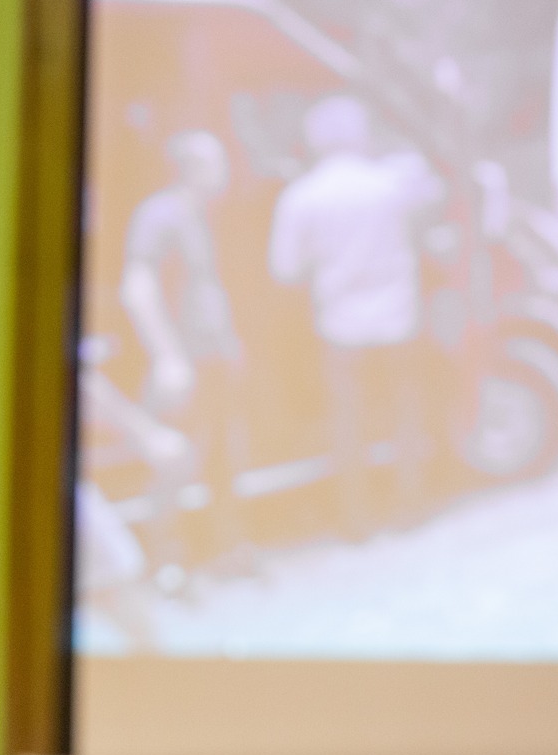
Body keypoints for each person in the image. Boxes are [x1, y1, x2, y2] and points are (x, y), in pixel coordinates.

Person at [268, 95, 441, 533]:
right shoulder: (391, 185)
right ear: (360, 133)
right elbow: (434, 198)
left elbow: (285, 269)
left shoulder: (301, 198)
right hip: (399, 316)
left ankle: (356, 520)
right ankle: (411, 506)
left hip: (340, 325)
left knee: (348, 424)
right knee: (404, 415)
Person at [119, 130, 246, 546]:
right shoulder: (160, 215)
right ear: (194, 167)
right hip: (184, 361)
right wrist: (168, 357)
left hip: (211, 358)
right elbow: (137, 286)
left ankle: (224, 550)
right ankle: (164, 560)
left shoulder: (201, 215)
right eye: (219, 161)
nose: (226, 170)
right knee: (175, 462)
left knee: (220, 455)